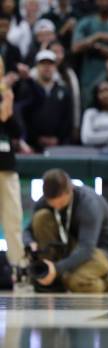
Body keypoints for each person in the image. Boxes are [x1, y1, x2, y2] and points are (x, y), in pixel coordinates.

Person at [23, 169, 108, 293]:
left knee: (76, 282)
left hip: (101, 251)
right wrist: (29, 242)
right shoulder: (47, 200)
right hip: (74, 246)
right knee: (41, 217)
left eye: (59, 202)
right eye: (51, 203)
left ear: (68, 191)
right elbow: (28, 230)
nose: (55, 206)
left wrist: (58, 268)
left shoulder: (89, 204)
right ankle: (50, 275)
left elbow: (86, 249)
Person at [71, 0, 108, 107]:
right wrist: (97, 36)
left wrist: (104, 50)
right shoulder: (86, 23)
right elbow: (75, 47)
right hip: (89, 75)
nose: (105, 3)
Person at [19, 49, 73, 152]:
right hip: (32, 145)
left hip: (58, 145)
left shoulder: (63, 90)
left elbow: (67, 118)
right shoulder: (28, 89)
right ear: (37, 66)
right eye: (43, 64)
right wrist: (36, 138)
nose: (47, 67)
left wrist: (58, 138)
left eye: (50, 64)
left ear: (55, 66)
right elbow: (24, 116)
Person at [0, 56, 25, 273]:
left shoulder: (5, 95)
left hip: (6, 167)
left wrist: (8, 107)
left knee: (13, 219)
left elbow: (18, 131)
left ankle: (19, 268)